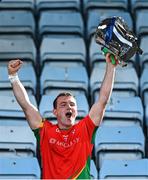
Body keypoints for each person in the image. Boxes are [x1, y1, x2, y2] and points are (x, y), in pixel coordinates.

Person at [7, 53, 117, 179]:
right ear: (55, 112)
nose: (69, 107)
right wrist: (13, 76)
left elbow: (102, 100)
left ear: (76, 110)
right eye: (63, 104)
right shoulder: (45, 131)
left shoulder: (86, 129)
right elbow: (26, 105)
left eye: (72, 104)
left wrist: (111, 66)